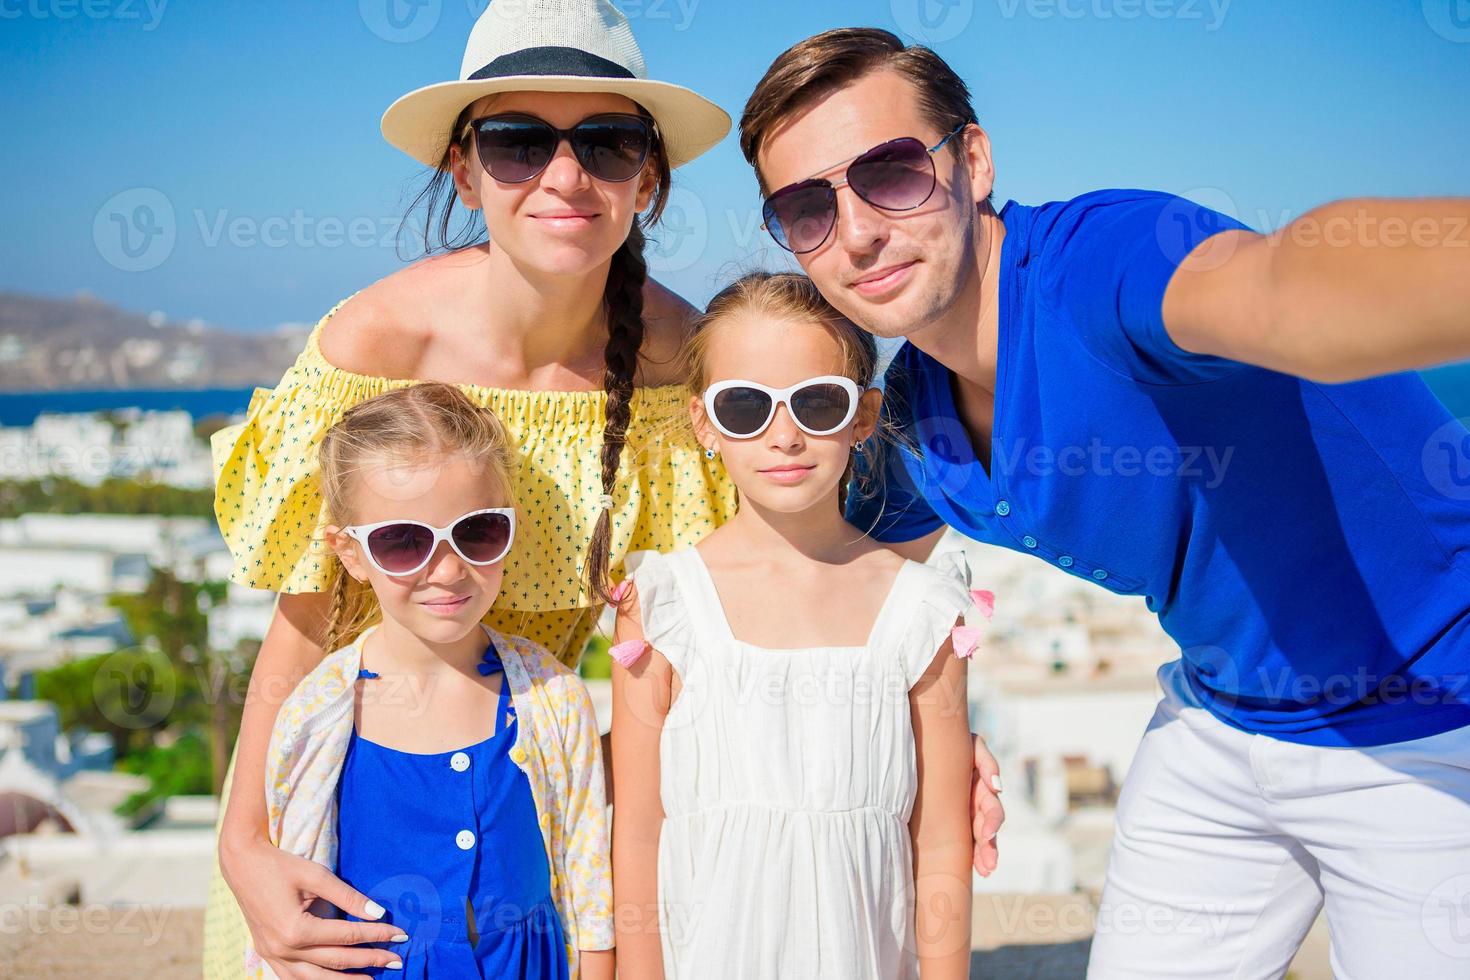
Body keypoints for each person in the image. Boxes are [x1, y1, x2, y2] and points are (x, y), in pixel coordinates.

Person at [739, 27, 1470, 978]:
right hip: (1223, 721)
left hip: (1431, 719)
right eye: (807, 207)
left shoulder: (1100, 269)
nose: (859, 231)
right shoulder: (915, 415)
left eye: (889, 172)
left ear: (973, 159)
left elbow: (1284, 287)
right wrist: (924, 745)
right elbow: (823, 569)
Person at [203, 2, 736, 975]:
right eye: (519, 141)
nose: (566, 176)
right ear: (465, 168)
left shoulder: (681, 366)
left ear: (647, 175)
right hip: (341, 805)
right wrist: (245, 847)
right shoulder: (376, 346)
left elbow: (723, 609)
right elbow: (305, 618)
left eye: (608, 142)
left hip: (539, 815)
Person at [610, 273, 977, 979]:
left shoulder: (924, 610)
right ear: (704, 423)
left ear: (863, 417)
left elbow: (939, 840)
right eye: (746, 406)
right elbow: (639, 833)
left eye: (817, 403)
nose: (785, 435)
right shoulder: (662, 605)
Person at [253, 383, 610, 979]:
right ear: (350, 554)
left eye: (477, 532)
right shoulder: (316, 711)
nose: (447, 570)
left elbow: (589, 881)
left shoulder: (553, 697)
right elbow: (295, 881)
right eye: (403, 541)